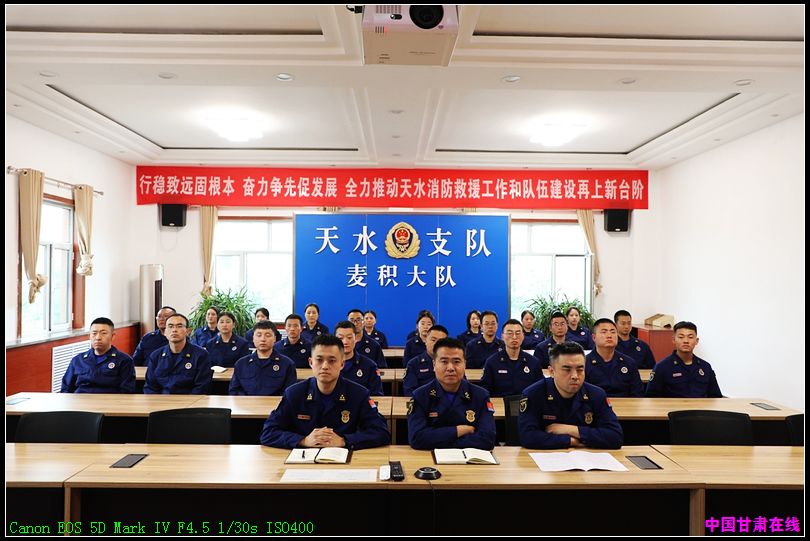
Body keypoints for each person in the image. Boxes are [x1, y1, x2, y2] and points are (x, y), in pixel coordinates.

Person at [260, 334, 390, 450]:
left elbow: (381, 432)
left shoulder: (359, 394)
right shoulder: (294, 394)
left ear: (342, 364)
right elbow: (268, 432)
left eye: (332, 361)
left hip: (344, 459)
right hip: (304, 460)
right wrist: (303, 440)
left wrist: (344, 440)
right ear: (311, 362)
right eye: (319, 360)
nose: (325, 366)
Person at [518, 341, 623, 449]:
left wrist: (571, 430)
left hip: (586, 457)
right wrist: (569, 441)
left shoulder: (596, 395)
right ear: (551, 371)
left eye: (580, 369)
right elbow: (527, 437)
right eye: (567, 370)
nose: (575, 376)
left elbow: (615, 437)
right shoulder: (533, 394)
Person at [407, 337, 496, 450]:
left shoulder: (480, 396)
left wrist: (438, 439)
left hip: (471, 459)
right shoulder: (420, 396)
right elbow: (417, 438)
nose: (450, 368)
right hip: (430, 458)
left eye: (456, 362)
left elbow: (488, 439)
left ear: (465, 364)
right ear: (434, 365)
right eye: (444, 362)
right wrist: (458, 431)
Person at [646, 321, 722, 398]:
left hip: (700, 406)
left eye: (690, 337)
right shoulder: (662, 367)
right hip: (673, 406)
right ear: (673, 340)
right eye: (681, 337)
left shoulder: (705, 367)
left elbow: (716, 396)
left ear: (696, 341)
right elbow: (651, 397)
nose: (686, 341)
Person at [61, 317, 135, 393]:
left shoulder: (124, 360)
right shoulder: (78, 360)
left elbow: (127, 391)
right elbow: (66, 388)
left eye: (103, 333)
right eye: (94, 333)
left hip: (109, 399)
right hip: (81, 399)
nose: (98, 337)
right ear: (89, 336)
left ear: (112, 336)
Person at [144, 313, 212, 394]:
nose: (174, 330)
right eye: (170, 326)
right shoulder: (156, 356)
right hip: (162, 400)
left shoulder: (200, 355)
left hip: (191, 400)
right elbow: (150, 387)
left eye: (179, 326)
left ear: (188, 331)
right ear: (165, 332)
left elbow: (201, 387)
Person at [229, 320, 296, 396]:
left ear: (274, 338)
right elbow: (234, 390)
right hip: (247, 403)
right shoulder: (241, 364)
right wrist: (248, 401)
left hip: (276, 403)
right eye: (259, 335)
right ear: (253, 338)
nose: (263, 339)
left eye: (267, 335)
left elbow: (290, 393)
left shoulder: (287, 364)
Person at [481, 319, 543, 397]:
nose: (514, 337)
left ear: (523, 336)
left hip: (526, 403)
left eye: (518, 333)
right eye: (510, 333)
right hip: (500, 403)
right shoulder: (492, 362)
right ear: (502, 336)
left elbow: (540, 388)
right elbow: (485, 390)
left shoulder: (534, 362)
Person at [585, 318, 643, 397]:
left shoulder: (629, 363)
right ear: (594, 337)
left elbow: (637, 393)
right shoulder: (584, 363)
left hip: (625, 404)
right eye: (604, 332)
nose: (609, 336)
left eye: (613, 332)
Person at [334, 321, 383, 395]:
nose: (345, 342)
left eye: (349, 337)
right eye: (340, 338)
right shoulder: (327, 365)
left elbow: (377, 395)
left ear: (356, 338)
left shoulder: (370, 366)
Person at [402, 324, 448, 396]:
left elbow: (462, 388)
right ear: (426, 341)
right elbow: (409, 392)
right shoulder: (414, 364)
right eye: (433, 340)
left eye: (441, 341)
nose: (437, 344)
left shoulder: (453, 364)